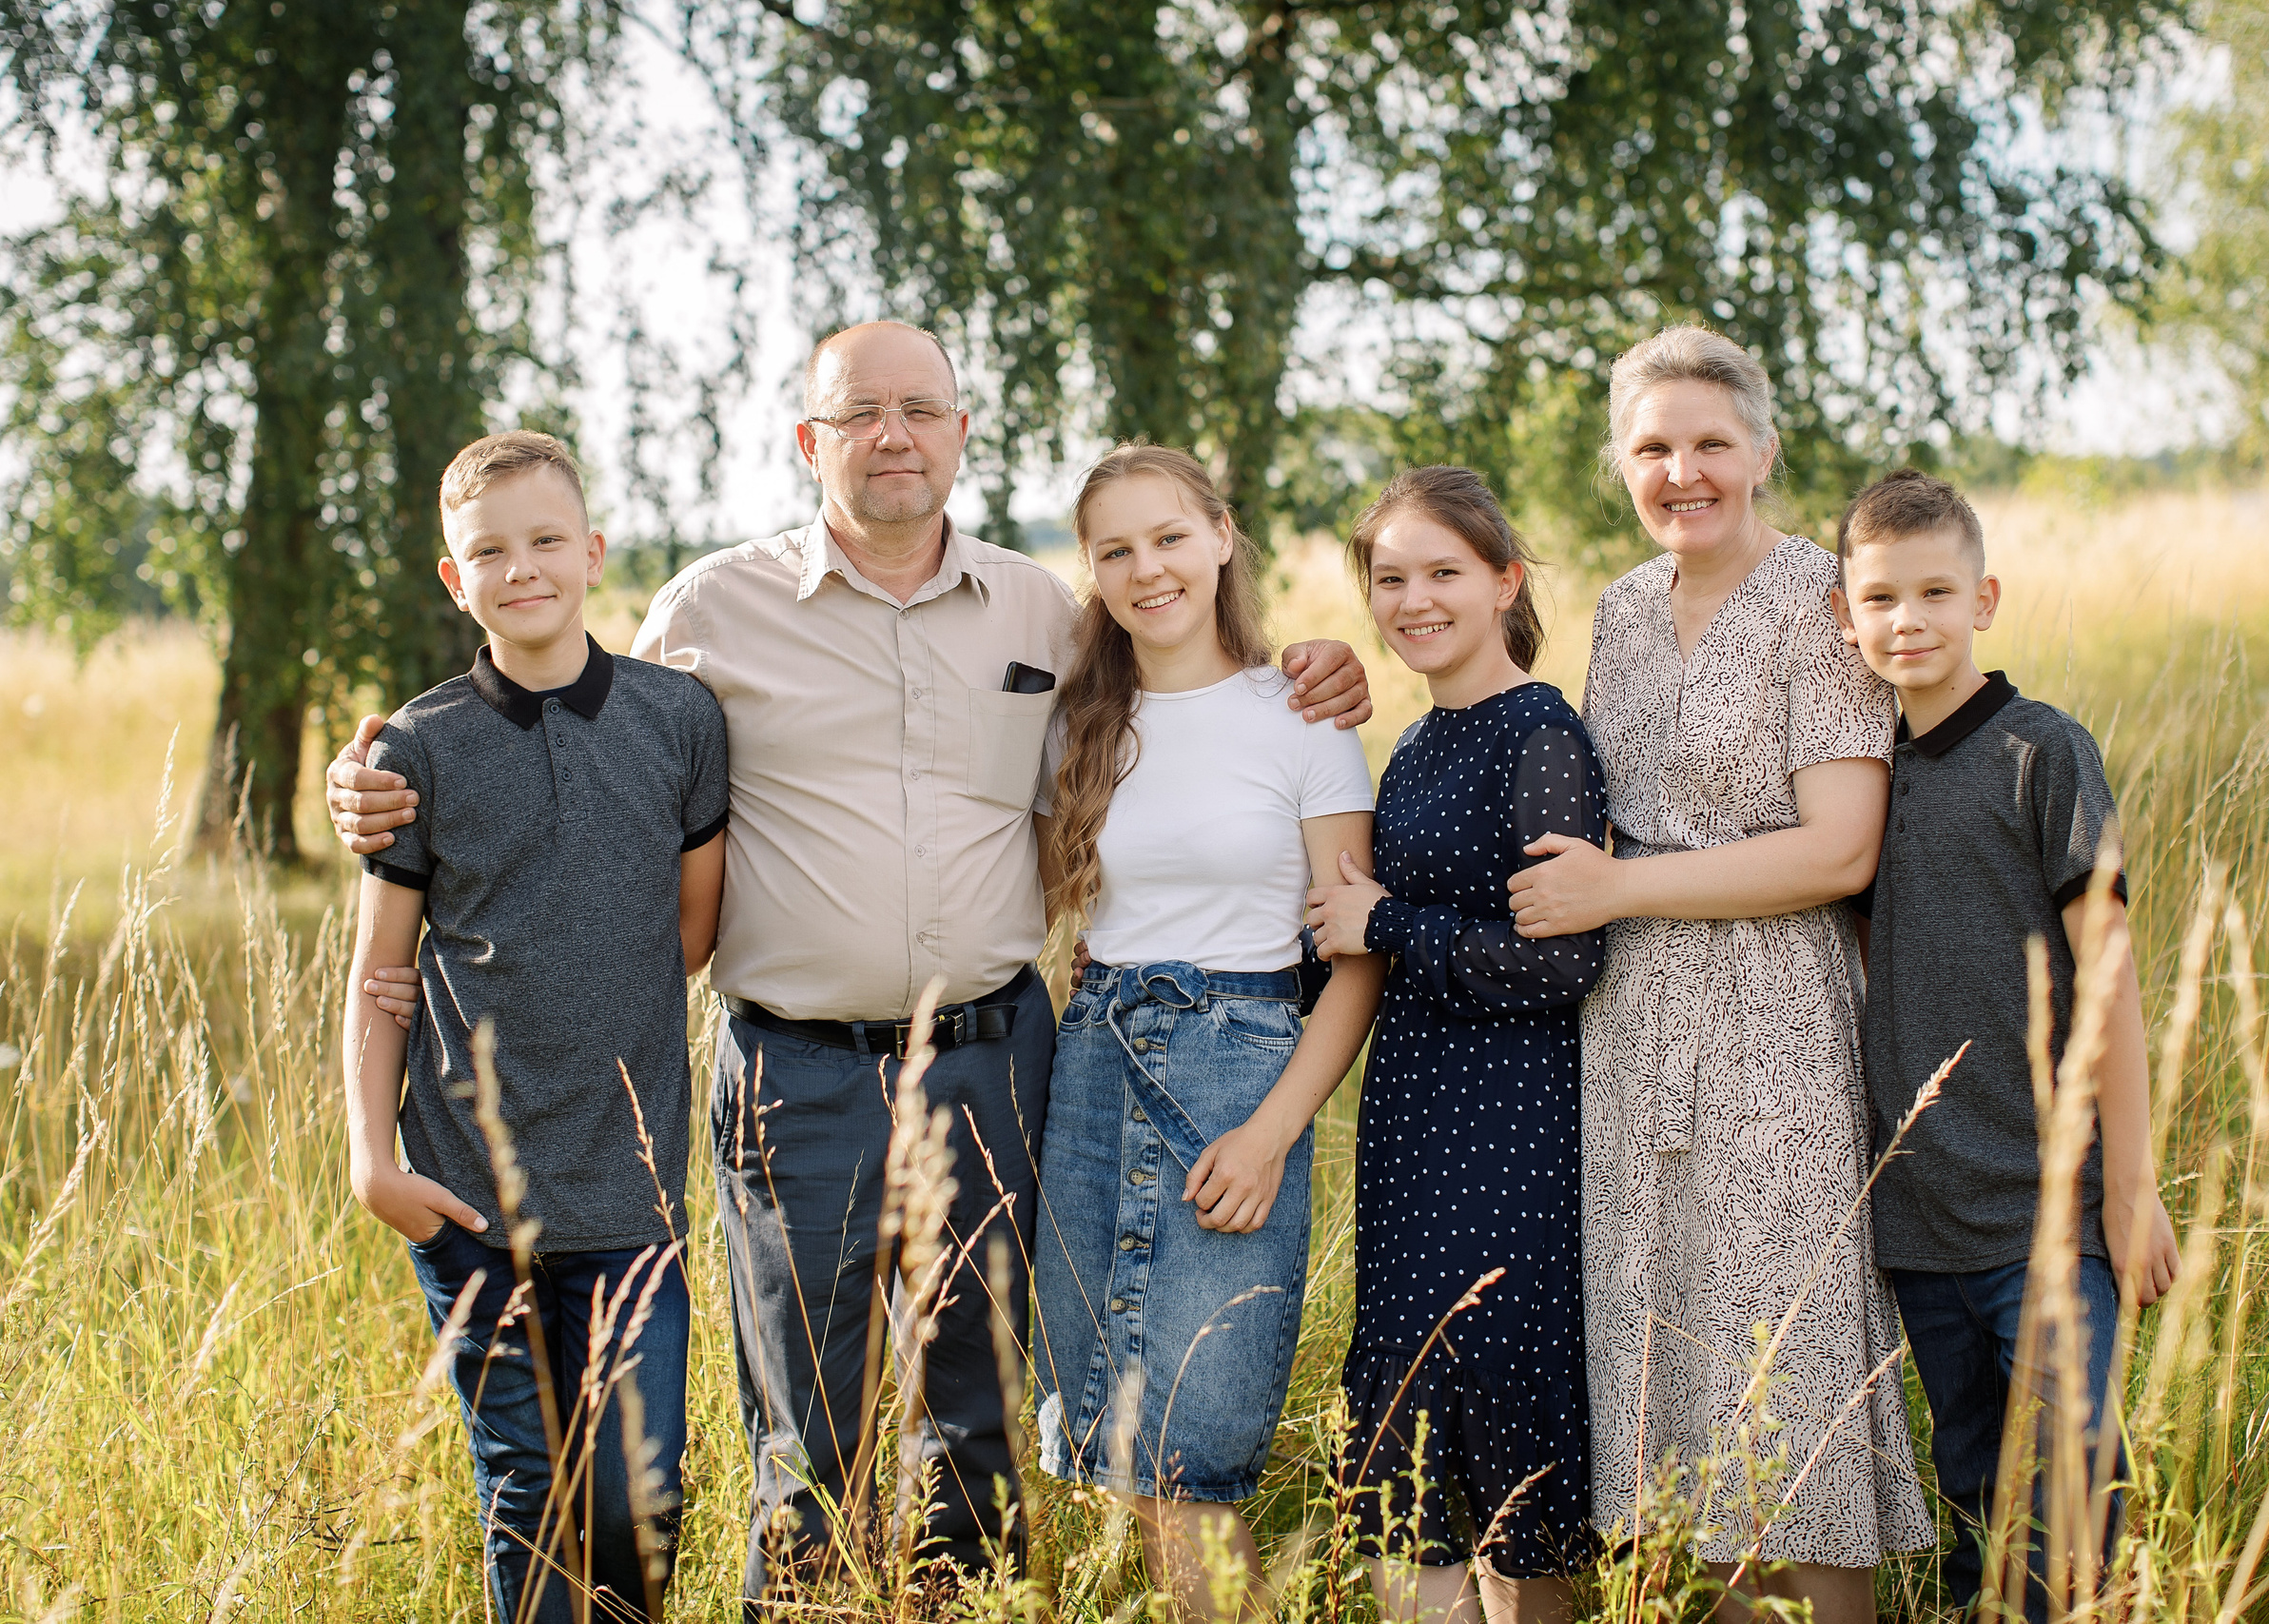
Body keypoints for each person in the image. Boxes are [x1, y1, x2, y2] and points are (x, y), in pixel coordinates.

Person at [323, 321, 1374, 1605]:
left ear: (961, 434)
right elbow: (569, 724)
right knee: (806, 1433)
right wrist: (377, 775)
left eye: (921, 409)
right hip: (794, 1072)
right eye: (860, 412)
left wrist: (1317, 665)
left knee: (973, 1427)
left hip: (995, 1060)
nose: (893, 434)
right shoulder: (708, 608)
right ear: (810, 440)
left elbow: (1188, 688)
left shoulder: (1043, 604)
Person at [1503, 325, 1933, 1623]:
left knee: (1786, 1348)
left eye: (1706, 441)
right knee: (1673, 1354)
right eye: (1652, 446)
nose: (1681, 469)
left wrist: (1621, 884)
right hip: (1632, 1026)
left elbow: (1841, 847)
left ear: (1761, 448)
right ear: (1618, 463)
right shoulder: (1624, 609)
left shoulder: (1818, 601)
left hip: (1775, 1020)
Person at [341, 431, 730, 1623]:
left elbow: (691, 935)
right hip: (467, 1191)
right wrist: (372, 1160)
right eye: (489, 552)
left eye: (547, 541)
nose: (523, 569)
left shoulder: (679, 719)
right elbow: (380, 971)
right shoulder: (419, 746)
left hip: (630, 1190)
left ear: (593, 553)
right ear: (455, 580)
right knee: (526, 1492)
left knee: (632, 1497)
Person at [1029, 442, 1387, 1624]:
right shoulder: (1083, 720)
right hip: (1094, 1069)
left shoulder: (1301, 716)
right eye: (1115, 550)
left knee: (1200, 1449)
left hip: (1238, 1078)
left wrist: (1273, 1132)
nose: (1148, 569)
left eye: (1169, 536)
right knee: (1118, 1450)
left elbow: (1356, 959)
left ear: (1222, 535)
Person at [1830, 469, 2180, 1621]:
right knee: (1974, 1485)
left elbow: (2111, 974)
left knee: (2070, 1477)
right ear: (1845, 616)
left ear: (1985, 599)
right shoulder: (1862, 782)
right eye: (1878, 598)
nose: (1907, 620)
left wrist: (2130, 1184)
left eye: (1934, 591)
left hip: (2049, 1203)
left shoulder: (2040, 751)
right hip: (1922, 1218)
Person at [1307, 466, 1606, 1624]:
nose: (1414, 599)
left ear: (1504, 582)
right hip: (1412, 1124)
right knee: (1405, 1421)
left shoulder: (1540, 734)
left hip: (1510, 1128)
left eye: (1444, 573)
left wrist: (1384, 922)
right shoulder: (1420, 743)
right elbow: (1368, 934)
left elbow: (1560, 962)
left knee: (1496, 1395)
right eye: (1390, 578)